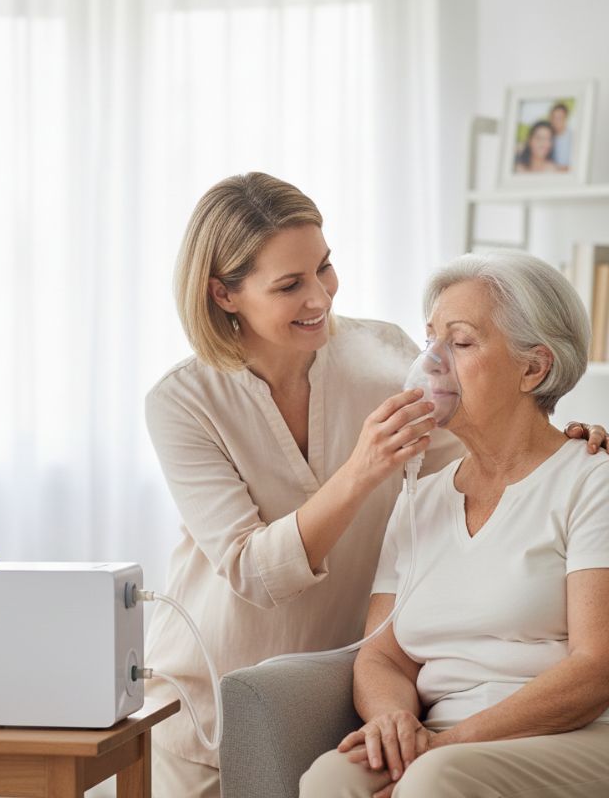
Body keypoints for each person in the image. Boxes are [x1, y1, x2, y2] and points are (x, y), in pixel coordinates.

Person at [144, 174, 606, 797]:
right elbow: (253, 571)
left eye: (325, 269)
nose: (320, 298)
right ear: (224, 295)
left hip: (359, 674)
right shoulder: (183, 402)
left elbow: (493, 451)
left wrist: (566, 439)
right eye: (289, 285)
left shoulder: (380, 355)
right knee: (336, 780)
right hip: (217, 675)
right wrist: (364, 468)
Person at [300, 251, 609, 798]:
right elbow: (381, 653)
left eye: (461, 342)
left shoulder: (591, 481)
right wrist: (395, 721)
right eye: (430, 342)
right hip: (445, 740)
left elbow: (595, 668)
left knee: (433, 781)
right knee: (329, 779)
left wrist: (445, 747)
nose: (433, 362)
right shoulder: (421, 496)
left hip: (572, 734)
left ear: (533, 368)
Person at [549, 102, 572, 170]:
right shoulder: (549, 137)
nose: (556, 121)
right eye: (554, 118)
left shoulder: (573, 137)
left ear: (565, 118)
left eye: (559, 118)